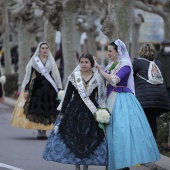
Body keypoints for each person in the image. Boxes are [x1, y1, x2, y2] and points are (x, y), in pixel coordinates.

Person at [96, 39, 160, 170]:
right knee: (111, 132)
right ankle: (112, 163)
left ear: (117, 52)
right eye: (107, 51)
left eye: (110, 51)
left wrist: (101, 71)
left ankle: (122, 163)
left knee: (121, 132)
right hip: (111, 99)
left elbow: (114, 80)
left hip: (122, 100)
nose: (108, 54)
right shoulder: (113, 65)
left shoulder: (125, 65)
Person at [43, 53, 107, 170]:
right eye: (81, 62)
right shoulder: (74, 76)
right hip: (75, 111)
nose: (83, 64)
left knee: (89, 139)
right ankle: (77, 166)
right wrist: (62, 112)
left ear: (91, 64)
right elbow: (67, 95)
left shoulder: (98, 77)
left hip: (91, 112)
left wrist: (103, 113)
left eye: (86, 62)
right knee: (74, 138)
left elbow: (102, 97)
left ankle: (85, 167)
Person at [11, 42, 62, 139]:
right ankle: (40, 131)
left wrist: (59, 88)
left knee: (48, 109)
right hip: (37, 88)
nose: (45, 50)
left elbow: (56, 76)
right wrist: (26, 90)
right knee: (38, 109)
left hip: (49, 89)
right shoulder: (34, 61)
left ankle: (44, 131)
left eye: (46, 48)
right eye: (43, 48)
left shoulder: (51, 61)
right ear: (39, 50)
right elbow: (29, 76)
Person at [133, 43, 170, 139]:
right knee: (152, 121)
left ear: (141, 51)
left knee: (142, 121)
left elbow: (130, 77)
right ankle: (152, 144)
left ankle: (144, 146)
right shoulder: (158, 63)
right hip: (161, 99)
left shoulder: (137, 63)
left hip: (144, 99)